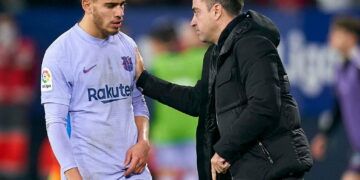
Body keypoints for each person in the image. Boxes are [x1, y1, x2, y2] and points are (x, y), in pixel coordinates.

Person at [134, 0, 313, 179]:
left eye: (197, 12)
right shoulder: (214, 54)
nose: (192, 22)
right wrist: (144, 80)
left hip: (274, 170)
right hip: (246, 171)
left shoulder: (253, 44)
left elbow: (264, 105)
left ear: (217, 11)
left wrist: (225, 149)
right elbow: (198, 101)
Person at [40, 0, 151, 179]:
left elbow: (138, 102)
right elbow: (55, 122)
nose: (119, 13)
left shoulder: (129, 46)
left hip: (133, 171)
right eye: (110, 5)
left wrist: (143, 141)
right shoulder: (60, 53)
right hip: (89, 173)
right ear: (87, 5)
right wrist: (72, 173)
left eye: (122, 5)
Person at [147, 20, 204, 180]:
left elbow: (148, 105)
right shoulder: (198, 59)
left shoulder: (157, 64)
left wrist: (147, 135)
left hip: (168, 135)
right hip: (191, 133)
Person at [311, 17, 360, 180]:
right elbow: (339, 106)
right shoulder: (340, 68)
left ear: (351, 37)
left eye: (336, 33)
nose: (330, 37)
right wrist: (324, 134)